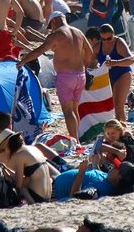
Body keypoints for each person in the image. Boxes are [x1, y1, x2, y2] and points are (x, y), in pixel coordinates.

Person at [17, 12, 93, 140]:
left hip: (65, 77)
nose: (51, 29)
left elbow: (39, 51)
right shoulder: (78, 32)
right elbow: (89, 52)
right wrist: (84, 66)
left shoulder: (56, 35)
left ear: (54, 21)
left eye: (50, 25)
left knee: (68, 111)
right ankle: (77, 139)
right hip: (80, 75)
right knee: (74, 109)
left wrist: (23, 62)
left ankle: (74, 141)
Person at [93, 23, 134, 122]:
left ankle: (123, 131)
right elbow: (88, 62)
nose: (106, 41)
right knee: (109, 108)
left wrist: (115, 63)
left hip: (122, 74)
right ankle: (115, 130)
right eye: (104, 39)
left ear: (114, 34)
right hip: (106, 77)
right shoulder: (98, 46)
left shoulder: (119, 42)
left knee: (119, 106)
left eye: (109, 38)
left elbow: (131, 60)